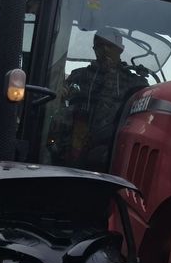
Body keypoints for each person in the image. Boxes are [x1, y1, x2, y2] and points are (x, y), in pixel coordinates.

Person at [51, 27, 148, 170]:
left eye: (109, 45)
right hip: (72, 148)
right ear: (94, 49)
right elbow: (57, 107)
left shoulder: (136, 83)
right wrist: (60, 97)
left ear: (120, 49)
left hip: (113, 151)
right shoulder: (78, 76)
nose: (105, 50)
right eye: (100, 46)